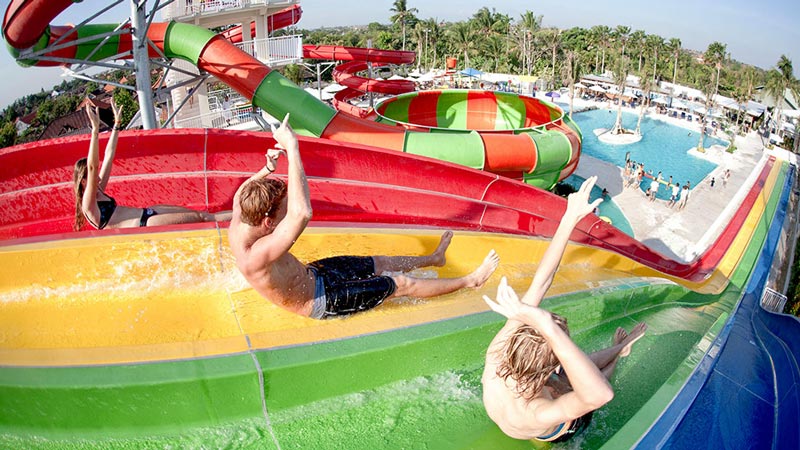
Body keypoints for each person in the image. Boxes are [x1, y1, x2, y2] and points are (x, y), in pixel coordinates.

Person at [227, 114, 500, 319]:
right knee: (398, 284)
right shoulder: (256, 255)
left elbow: (243, 189)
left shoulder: (243, 212)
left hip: (315, 274)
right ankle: (471, 281)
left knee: (379, 262)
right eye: (282, 212)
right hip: (321, 300)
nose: (288, 212)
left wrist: (267, 168)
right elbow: (302, 213)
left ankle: (434, 259)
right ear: (268, 224)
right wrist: (293, 148)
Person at [481, 176, 647, 442]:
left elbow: (540, 284)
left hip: (534, 383)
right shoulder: (536, 412)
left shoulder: (496, 357)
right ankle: (619, 354)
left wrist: (569, 218)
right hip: (556, 432)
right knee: (587, 377)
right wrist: (549, 328)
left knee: (575, 367)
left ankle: (618, 347)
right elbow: (599, 395)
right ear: (550, 370)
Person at [73, 101, 232, 231]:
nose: (98, 176)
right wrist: (95, 131)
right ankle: (249, 216)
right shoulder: (88, 205)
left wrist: (117, 125)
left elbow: (109, 155)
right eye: (93, 176)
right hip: (143, 223)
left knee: (202, 214)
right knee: (203, 218)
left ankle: (245, 216)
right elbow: (92, 166)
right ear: (83, 181)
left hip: (149, 211)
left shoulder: (99, 189)